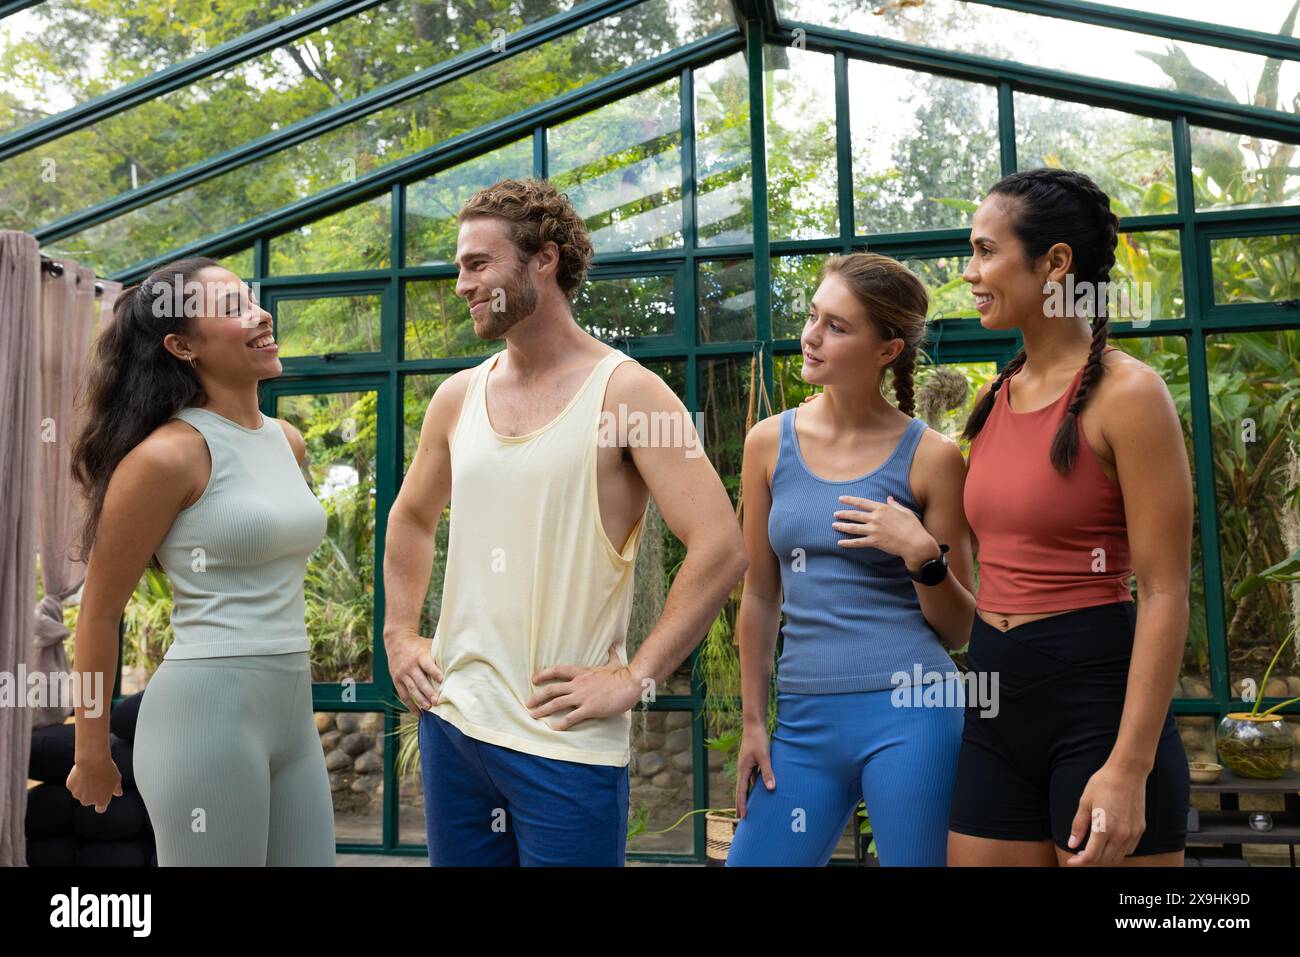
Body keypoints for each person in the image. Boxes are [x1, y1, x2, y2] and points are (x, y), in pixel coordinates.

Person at [383, 177, 747, 866]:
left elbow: (721, 547)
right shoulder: (458, 397)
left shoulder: (628, 391)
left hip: (564, 741)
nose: (461, 283)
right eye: (459, 265)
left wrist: (637, 675)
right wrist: (400, 634)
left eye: (477, 263)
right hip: (454, 728)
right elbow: (410, 519)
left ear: (543, 260)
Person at [946, 168, 1193, 866]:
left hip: (1095, 703)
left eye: (986, 250)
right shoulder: (995, 395)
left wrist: (1129, 765)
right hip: (994, 703)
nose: (970, 271)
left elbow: (1167, 588)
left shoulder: (1130, 396)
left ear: (1054, 262)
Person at [66, 257, 336, 866]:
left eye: (252, 299)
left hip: (292, 714)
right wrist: (90, 748)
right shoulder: (166, 457)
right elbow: (100, 612)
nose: (261, 315)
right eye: (233, 309)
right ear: (181, 345)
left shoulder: (285, 441)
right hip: (204, 715)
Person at [726, 252, 976, 867]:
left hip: (914, 713)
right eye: (814, 316)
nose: (811, 336)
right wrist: (753, 722)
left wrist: (920, 553)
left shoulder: (933, 458)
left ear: (887, 350)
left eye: (838, 327)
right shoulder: (767, 444)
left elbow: (962, 627)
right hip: (805, 720)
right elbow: (759, 594)